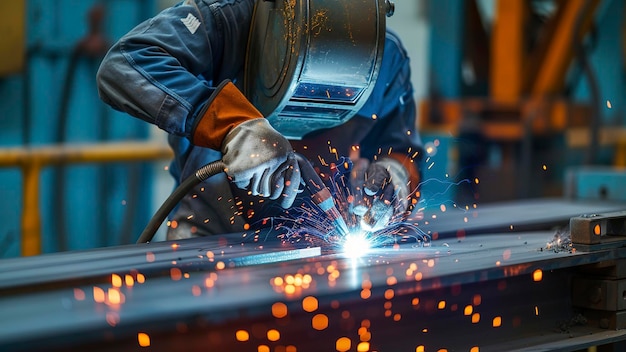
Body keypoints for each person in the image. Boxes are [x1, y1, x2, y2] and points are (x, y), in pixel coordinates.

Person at [96, 0, 423, 241]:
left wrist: (392, 181)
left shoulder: (387, 55)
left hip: (325, 246)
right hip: (212, 240)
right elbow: (125, 65)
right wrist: (235, 128)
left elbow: (402, 153)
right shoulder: (229, 20)